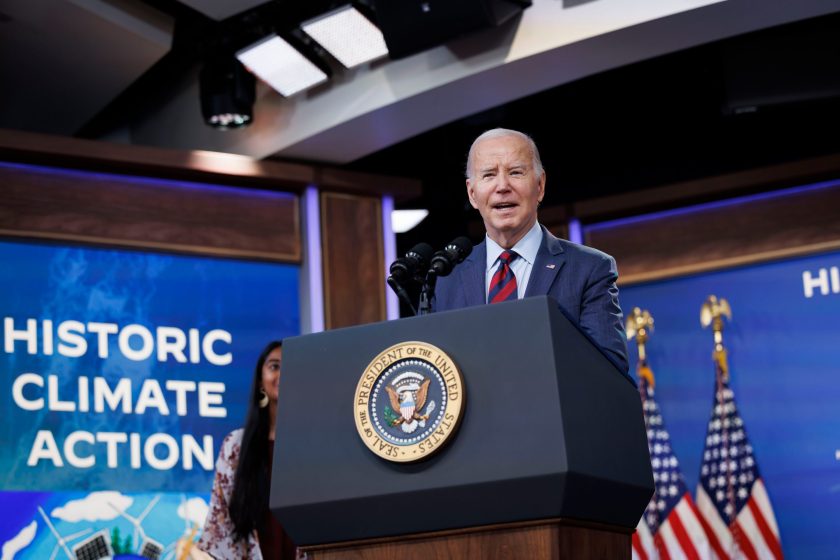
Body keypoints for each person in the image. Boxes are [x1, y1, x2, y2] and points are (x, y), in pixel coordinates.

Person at [434, 128, 629, 374]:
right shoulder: (445, 280)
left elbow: (609, 371)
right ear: (472, 193)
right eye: (489, 175)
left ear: (540, 185)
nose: (502, 186)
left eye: (515, 172)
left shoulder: (589, 269)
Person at [198, 340, 302, 559]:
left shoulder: (314, 443)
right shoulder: (235, 445)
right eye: (274, 366)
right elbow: (220, 523)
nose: (283, 374)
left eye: (292, 366)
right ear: (260, 382)